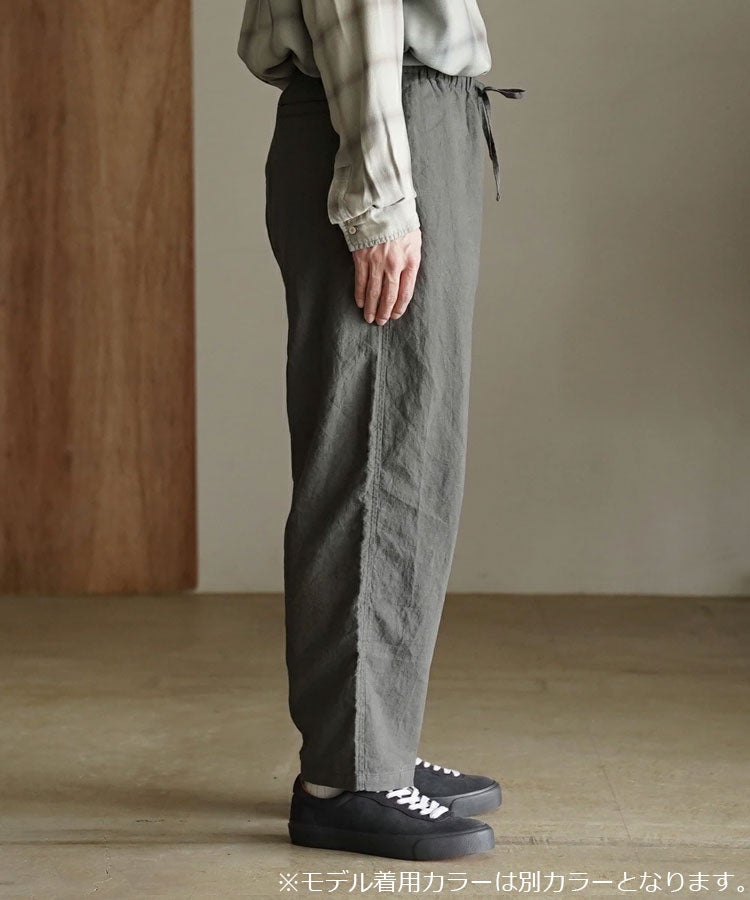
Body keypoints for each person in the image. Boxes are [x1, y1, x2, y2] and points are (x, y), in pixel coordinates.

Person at [237, 0, 524, 861]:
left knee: (407, 451)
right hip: (377, 122)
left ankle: (375, 744)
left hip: (402, 115)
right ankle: (350, 776)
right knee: (376, 456)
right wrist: (381, 197)